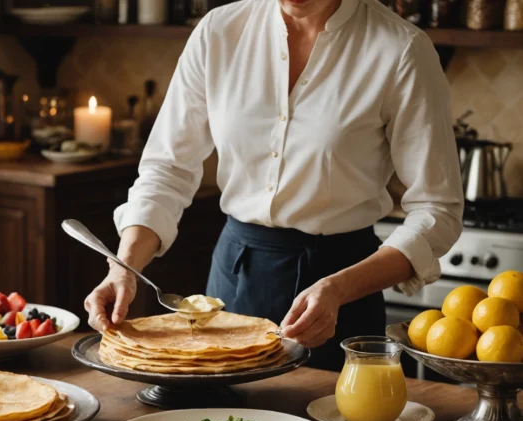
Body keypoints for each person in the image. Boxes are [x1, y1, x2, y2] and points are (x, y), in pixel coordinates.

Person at [84, 0, 464, 370]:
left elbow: (437, 210)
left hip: (344, 289)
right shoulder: (219, 31)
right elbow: (167, 170)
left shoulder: (401, 49)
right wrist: (125, 268)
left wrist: (338, 289)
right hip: (234, 279)